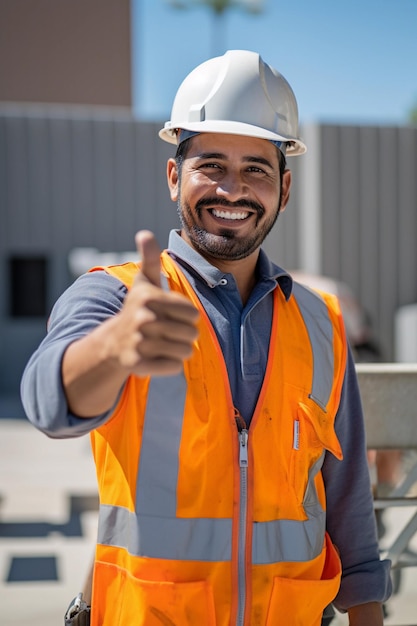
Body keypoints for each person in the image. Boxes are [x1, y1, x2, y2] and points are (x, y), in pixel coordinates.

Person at [21, 50, 391, 626]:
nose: (233, 189)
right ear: (175, 177)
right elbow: (49, 401)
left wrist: (368, 614)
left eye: (256, 169)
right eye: (211, 164)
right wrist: (116, 347)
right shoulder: (117, 298)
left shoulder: (323, 323)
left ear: (284, 190)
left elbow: (345, 501)